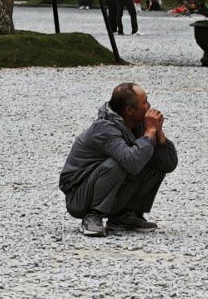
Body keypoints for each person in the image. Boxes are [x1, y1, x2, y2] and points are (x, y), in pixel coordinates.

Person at [59, 82, 179, 239]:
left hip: (106, 186)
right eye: (144, 102)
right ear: (129, 110)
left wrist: (159, 134)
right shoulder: (104, 128)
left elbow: (168, 164)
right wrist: (150, 132)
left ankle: (125, 216)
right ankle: (93, 216)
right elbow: (131, 162)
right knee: (119, 163)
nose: (149, 106)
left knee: (153, 159)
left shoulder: (139, 122)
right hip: (79, 196)